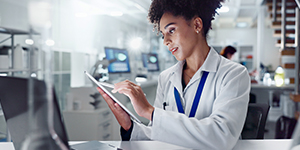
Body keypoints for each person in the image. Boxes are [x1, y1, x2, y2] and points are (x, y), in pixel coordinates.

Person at [97, 0, 250, 149]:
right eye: (163, 34)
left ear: (197, 25)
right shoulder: (166, 78)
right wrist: (129, 126)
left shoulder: (233, 74)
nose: (166, 41)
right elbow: (157, 133)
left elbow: (222, 137)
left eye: (171, 30)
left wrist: (150, 111)